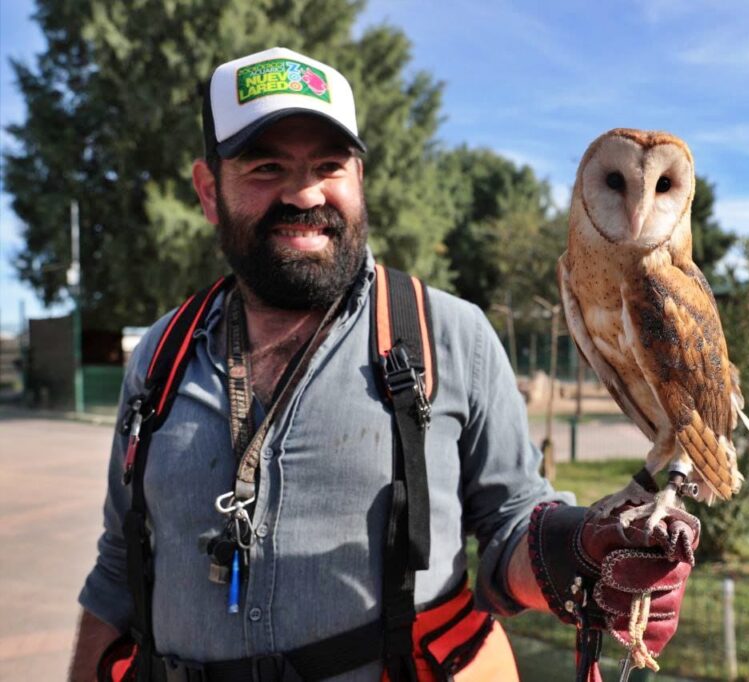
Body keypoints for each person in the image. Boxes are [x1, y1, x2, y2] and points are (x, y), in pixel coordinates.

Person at [70, 48, 697, 682]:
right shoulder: (160, 356)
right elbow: (120, 566)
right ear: (210, 191)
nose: (304, 192)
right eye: (266, 167)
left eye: (329, 165)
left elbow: (510, 527)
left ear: (359, 179)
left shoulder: (452, 336)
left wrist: (577, 553)